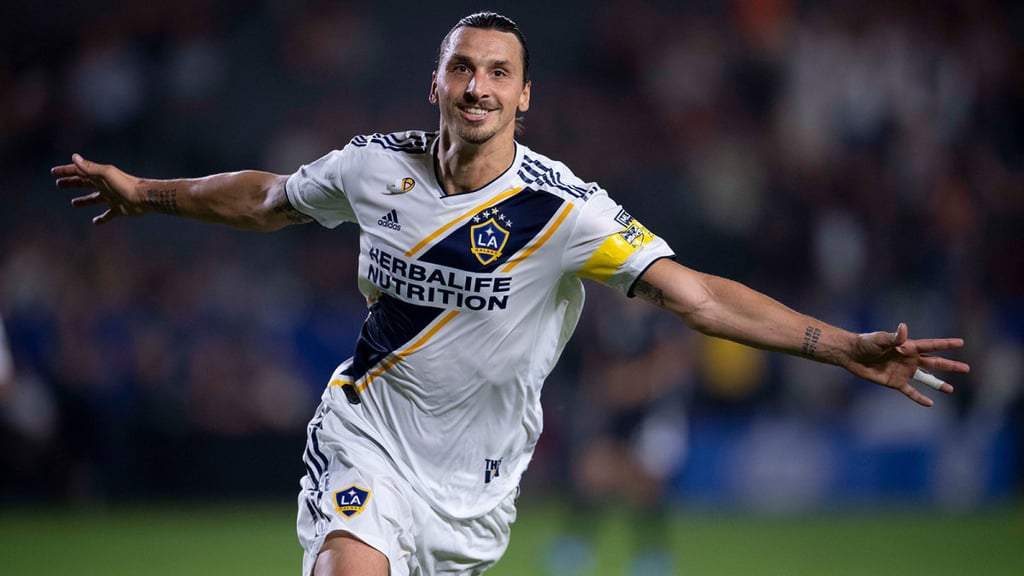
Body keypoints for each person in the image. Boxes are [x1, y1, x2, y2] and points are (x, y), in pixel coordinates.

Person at [52, 11, 970, 576]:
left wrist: (842, 345)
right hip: (365, 437)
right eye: (462, 67)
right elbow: (268, 200)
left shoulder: (564, 211)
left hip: (478, 489)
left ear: (524, 95)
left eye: (498, 72)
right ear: (437, 81)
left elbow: (697, 298)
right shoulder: (375, 167)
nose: (477, 85)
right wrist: (151, 194)